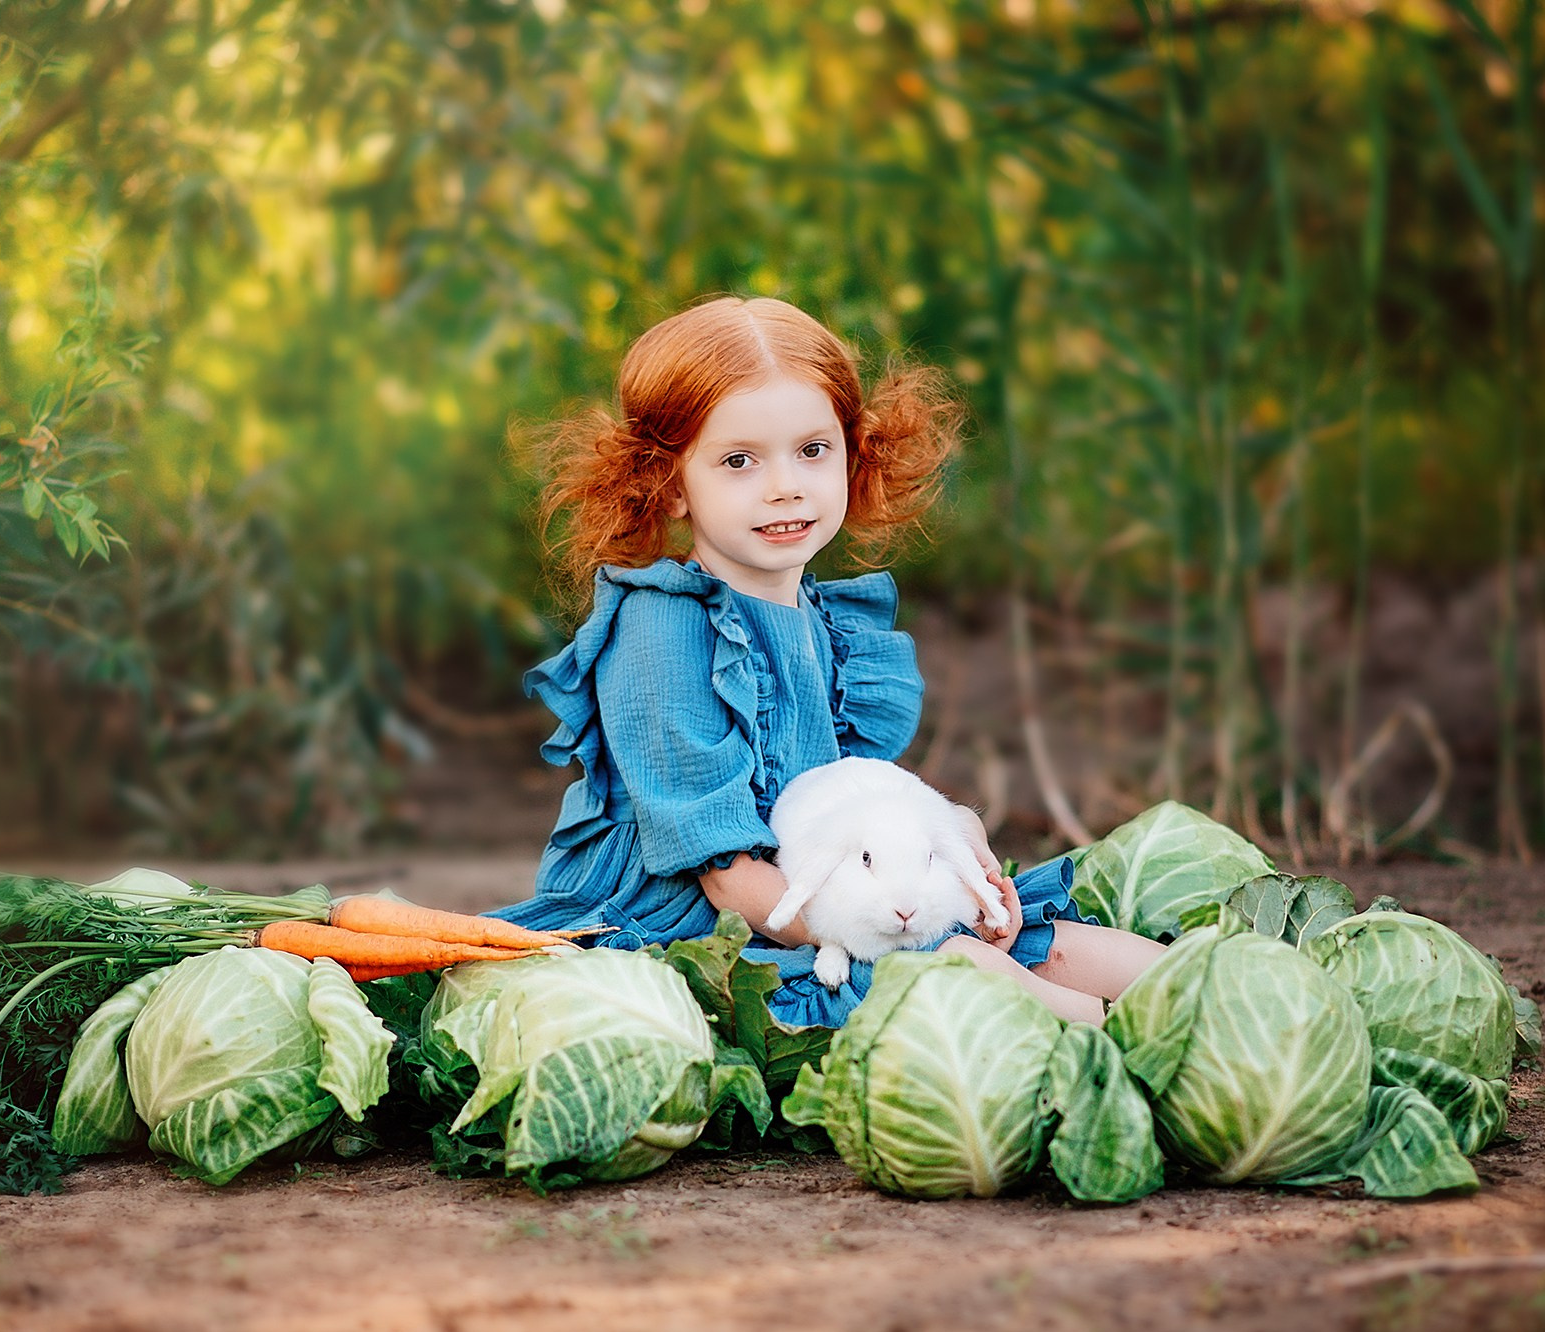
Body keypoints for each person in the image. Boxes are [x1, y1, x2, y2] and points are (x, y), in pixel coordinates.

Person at [485, 296, 1164, 1028]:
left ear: (852, 452)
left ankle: (1229, 1005)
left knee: (1074, 946)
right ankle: (1123, 1052)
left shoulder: (829, 622)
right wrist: (904, 934)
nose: (786, 485)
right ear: (671, 484)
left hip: (837, 899)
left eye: (813, 450)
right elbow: (728, 882)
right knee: (968, 970)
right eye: (739, 460)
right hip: (700, 931)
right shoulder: (660, 629)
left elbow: (866, 799)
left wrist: (957, 841)